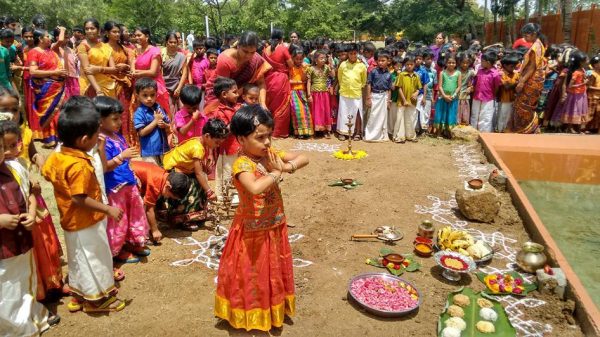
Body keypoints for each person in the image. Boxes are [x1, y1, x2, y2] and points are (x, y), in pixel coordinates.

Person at [214, 105, 309, 332]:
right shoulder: (242, 164)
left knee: (272, 273)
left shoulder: (268, 154)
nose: (267, 143)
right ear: (241, 139)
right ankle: (251, 314)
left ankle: (273, 309)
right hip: (252, 232)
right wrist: (277, 173)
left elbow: (304, 157)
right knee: (252, 274)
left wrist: (288, 166)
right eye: (260, 137)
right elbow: (255, 188)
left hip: (274, 225)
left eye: (269, 136)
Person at [41, 96, 126, 313]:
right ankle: (96, 300)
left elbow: (46, 172)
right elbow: (79, 198)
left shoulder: (59, 156)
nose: (99, 139)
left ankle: (79, 294)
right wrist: (107, 208)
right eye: (96, 136)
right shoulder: (79, 166)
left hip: (69, 220)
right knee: (94, 257)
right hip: (86, 220)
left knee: (78, 257)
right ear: (84, 139)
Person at [0, 115, 64, 304]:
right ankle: (39, 294)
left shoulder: (16, 167)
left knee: (44, 248)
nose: (11, 151)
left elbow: (30, 193)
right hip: (10, 237)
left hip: (32, 219)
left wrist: (33, 200)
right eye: (6, 146)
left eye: (13, 145)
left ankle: (51, 285)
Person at [0, 125, 52, 335]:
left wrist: (31, 214)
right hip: (3, 249)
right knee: (7, 289)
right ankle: (14, 329)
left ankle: (29, 320)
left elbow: (30, 193)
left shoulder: (13, 168)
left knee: (22, 283)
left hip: (22, 241)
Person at [95, 96, 149, 264]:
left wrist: (133, 175)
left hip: (128, 183)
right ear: (100, 120)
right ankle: (118, 250)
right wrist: (121, 157)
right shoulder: (101, 141)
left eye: (120, 118)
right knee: (118, 219)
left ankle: (132, 241)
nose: (119, 122)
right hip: (114, 187)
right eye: (114, 119)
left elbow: (128, 162)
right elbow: (104, 167)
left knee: (134, 214)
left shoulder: (118, 137)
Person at [161, 119, 227, 230]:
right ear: (207, 136)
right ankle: (184, 219)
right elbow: (198, 173)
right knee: (192, 186)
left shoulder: (201, 142)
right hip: (173, 169)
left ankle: (197, 215)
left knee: (200, 184)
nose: (217, 145)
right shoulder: (197, 147)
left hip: (183, 169)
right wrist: (209, 191)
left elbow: (199, 169)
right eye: (217, 142)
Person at [204, 31, 271, 115]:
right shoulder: (225, 60)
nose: (249, 56)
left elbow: (261, 83)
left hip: (242, 97)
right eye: (245, 51)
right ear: (238, 46)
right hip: (220, 95)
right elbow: (224, 89)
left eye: (252, 52)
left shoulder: (256, 59)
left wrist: (263, 104)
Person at [130, 161, 189, 243]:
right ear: (168, 186)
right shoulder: (155, 183)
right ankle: (136, 237)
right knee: (138, 207)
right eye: (170, 196)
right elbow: (149, 209)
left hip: (129, 172)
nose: (167, 197)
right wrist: (155, 230)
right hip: (124, 178)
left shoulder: (163, 176)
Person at [28, 28, 67, 147]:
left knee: (58, 111)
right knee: (49, 112)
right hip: (46, 87)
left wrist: (62, 30)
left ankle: (58, 137)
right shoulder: (34, 52)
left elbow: (60, 40)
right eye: (47, 36)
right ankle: (50, 138)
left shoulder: (51, 50)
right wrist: (54, 72)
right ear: (40, 39)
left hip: (58, 86)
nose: (50, 38)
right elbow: (33, 72)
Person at [506, 23, 546, 134]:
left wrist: (522, 81)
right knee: (523, 105)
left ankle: (525, 129)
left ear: (533, 34)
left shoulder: (536, 47)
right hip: (532, 80)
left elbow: (532, 67)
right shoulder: (537, 45)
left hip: (531, 81)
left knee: (523, 106)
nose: (524, 37)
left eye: (526, 35)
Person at [103, 21, 134, 145]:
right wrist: (117, 67)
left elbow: (132, 58)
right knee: (112, 112)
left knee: (124, 112)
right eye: (114, 32)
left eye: (118, 32)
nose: (117, 34)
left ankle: (125, 139)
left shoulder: (123, 48)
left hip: (125, 85)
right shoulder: (104, 48)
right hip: (110, 85)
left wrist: (127, 66)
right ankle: (112, 139)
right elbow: (104, 67)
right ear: (107, 33)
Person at [131, 27, 170, 122]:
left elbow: (153, 72)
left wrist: (136, 73)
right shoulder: (136, 51)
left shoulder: (154, 51)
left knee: (159, 115)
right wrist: (133, 71)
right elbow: (132, 64)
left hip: (153, 87)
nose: (137, 37)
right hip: (140, 87)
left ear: (147, 36)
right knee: (142, 116)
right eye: (135, 35)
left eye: (139, 35)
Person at [212, 77, 241, 202]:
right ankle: (226, 195)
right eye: (234, 92)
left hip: (239, 146)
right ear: (224, 94)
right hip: (227, 149)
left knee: (238, 169)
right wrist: (238, 118)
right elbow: (223, 131)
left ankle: (236, 193)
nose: (238, 94)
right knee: (227, 171)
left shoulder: (238, 107)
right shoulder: (219, 112)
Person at [133, 77, 170, 165]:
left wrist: (164, 125)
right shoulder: (139, 113)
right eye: (145, 95)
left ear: (156, 95)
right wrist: (155, 121)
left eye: (152, 95)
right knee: (153, 175)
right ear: (138, 96)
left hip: (163, 149)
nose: (149, 98)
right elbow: (141, 132)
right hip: (149, 152)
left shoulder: (159, 108)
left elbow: (168, 125)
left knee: (165, 172)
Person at [77, 18, 118, 97]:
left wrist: (98, 69)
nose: (89, 31)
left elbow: (114, 69)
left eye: (92, 28)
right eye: (87, 29)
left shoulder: (106, 47)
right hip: (89, 85)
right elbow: (87, 71)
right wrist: (98, 90)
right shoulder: (83, 47)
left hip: (107, 85)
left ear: (98, 30)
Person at [263, 29, 292, 138]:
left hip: (268, 80)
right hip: (281, 80)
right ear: (281, 38)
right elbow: (291, 64)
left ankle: (269, 130)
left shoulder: (265, 50)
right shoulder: (283, 49)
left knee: (270, 105)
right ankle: (279, 131)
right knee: (282, 106)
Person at [337, 43, 367, 140]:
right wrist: (345, 87)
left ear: (357, 53)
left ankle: (357, 132)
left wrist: (356, 87)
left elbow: (364, 81)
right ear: (347, 54)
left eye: (355, 53)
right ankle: (343, 132)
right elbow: (340, 78)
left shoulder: (362, 66)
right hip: (344, 93)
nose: (353, 56)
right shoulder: (343, 65)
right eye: (351, 53)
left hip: (356, 94)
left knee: (357, 113)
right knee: (344, 113)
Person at [393, 54, 422, 143]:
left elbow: (419, 88)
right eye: (407, 64)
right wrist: (404, 100)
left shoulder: (416, 76)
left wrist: (416, 93)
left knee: (410, 118)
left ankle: (410, 136)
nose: (409, 66)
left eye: (411, 64)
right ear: (404, 65)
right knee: (400, 118)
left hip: (412, 101)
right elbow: (399, 88)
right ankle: (399, 136)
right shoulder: (401, 75)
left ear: (414, 65)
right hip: (402, 101)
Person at [364, 50, 392, 142]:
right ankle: (370, 135)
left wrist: (388, 100)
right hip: (374, 96)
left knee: (382, 117)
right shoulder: (373, 72)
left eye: (383, 60)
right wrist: (368, 98)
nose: (380, 62)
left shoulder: (389, 74)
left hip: (384, 96)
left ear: (388, 61)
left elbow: (389, 88)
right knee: (373, 116)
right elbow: (369, 84)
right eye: (379, 60)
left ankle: (381, 135)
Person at [471, 51, 501, 132]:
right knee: (475, 114)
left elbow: (496, 87)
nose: (481, 62)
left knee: (485, 116)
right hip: (477, 96)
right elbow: (475, 81)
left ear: (488, 62)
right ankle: (474, 131)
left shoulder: (495, 74)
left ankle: (484, 133)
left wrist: (492, 95)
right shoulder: (480, 71)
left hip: (488, 98)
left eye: (482, 61)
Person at [307, 49, 334, 138]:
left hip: (325, 93)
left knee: (325, 110)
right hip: (315, 93)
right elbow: (309, 82)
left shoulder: (326, 67)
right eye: (321, 58)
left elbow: (333, 75)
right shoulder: (311, 69)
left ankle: (326, 130)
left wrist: (331, 64)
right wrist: (309, 95)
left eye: (324, 58)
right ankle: (315, 130)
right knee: (316, 111)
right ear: (315, 60)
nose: (323, 60)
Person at [433, 53, 461, 138]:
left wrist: (453, 95)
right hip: (442, 97)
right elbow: (440, 86)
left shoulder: (458, 73)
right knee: (441, 114)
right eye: (449, 62)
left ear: (456, 63)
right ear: (446, 63)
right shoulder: (442, 73)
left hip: (453, 98)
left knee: (451, 114)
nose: (451, 64)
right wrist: (445, 96)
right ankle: (439, 132)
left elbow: (459, 86)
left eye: (453, 62)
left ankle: (449, 132)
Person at [560, 50, 588, 133]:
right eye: (584, 61)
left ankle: (577, 128)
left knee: (580, 110)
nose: (587, 62)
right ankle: (570, 127)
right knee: (573, 110)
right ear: (580, 62)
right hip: (575, 94)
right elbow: (570, 86)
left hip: (582, 93)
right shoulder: (576, 72)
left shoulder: (582, 70)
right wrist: (583, 83)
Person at [288, 45, 313, 138]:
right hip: (294, 91)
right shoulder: (291, 67)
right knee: (297, 112)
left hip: (302, 91)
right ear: (293, 58)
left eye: (300, 59)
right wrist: (298, 81)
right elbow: (288, 80)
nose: (298, 61)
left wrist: (305, 71)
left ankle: (306, 132)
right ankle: (298, 132)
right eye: (297, 59)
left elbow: (305, 79)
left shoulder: (304, 67)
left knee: (306, 111)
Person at [162, 32, 189, 114]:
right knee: (170, 109)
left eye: (175, 42)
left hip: (178, 84)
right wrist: (163, 88)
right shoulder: (161, 55)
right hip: (165, 86)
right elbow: (159, 73)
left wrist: (179, 88)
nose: (173, 44)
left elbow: (184, 73)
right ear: (166, 42)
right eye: (170, 42)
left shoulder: (181, 56)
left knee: (182, 109)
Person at [497, 53, 520, 132]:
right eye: (511, 66)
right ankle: (500, 130)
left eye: (514, 66)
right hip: (504, 99)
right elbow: (506, 87)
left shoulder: (515, 74)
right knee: (502, 115)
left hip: (512, 99)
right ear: (505, 65)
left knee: (509, 116)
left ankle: (506, 130)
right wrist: (517, 83)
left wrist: (515, 84)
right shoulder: (501, 74)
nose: (513, 68)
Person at [414, 49, 431, 133]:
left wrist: (424, 97)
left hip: (420, 95)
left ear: (422, 60)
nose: (418, 60)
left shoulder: (423, 71)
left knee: (421, 112)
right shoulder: (411, 69)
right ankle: (414, 129)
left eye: (420, 59)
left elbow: (425, 85)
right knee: (414, 112)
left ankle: (422, 130)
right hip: (411, 95)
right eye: (416, 59)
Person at [457, 52, 475, 126]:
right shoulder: (456, 71)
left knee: (465, 110)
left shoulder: (471, 72)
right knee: (457, 110)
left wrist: (471, 87)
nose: (465, 65)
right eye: (463, 63)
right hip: (456, 94)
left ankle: (464, 124)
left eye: (467, 63)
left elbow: (476, 80)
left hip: (465, 94)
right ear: (459, 62)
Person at [586, 55, 600, 133]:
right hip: (593, 96)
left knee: (598, 113)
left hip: (599, 96)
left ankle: (595, 128)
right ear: (595, 65)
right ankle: (586, 128)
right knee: (591, 112)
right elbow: (589, 86)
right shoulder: (593, 74)